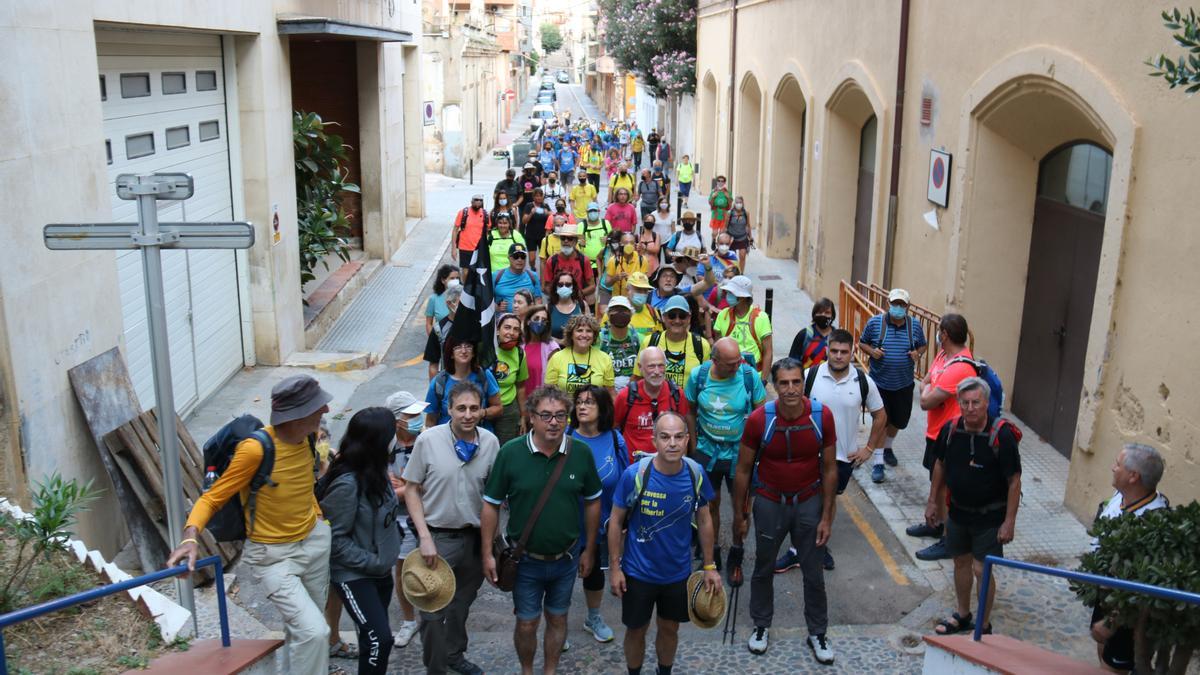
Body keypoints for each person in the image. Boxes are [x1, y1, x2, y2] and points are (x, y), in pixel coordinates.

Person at [167, 375, 334, 675]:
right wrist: (190, 538)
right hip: (273, 556)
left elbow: (308, 478)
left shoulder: (312, 437)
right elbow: (212, 498)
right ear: (296, 414)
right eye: (318, 407)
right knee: (314, 632)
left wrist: (319, 519)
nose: (325, 410)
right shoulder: (255, 450)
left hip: (314, 542)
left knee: (303, 630)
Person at [481, 386, 603, 675]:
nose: (554, 422)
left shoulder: (581, 453)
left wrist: (590, 549)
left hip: (566, 558)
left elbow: (593, 501)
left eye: (561, 415)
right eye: (546, 415)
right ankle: (527, 670)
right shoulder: (511, 453)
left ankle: (549, 670)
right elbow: (490, 504)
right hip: (524, 561)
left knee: (558, 619)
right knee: (526, 622)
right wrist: (487, 552)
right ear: (531, 417)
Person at [732, 358, 837, 664]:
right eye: (784, 383)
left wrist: (827, 516)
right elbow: (742, 470)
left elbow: (830, 470)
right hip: (769, 502)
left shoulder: (822, 416)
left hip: (808, 501)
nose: (790, 389)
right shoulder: (758, 420)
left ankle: (818, 632)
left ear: (803, 384)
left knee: (814, 572)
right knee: (763, 567)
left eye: (796, 382)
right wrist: (741, 513)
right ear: (774, 386)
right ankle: (761, 626)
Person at [608, 412, 720, 675]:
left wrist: (709, 565)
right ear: (654, 440)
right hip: (638, 573)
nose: (672, 443)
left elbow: (704, 520)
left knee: (670, 628)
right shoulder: (634, 475)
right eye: (665, 437)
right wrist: (615, 568)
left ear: (687, 439)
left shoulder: (695, 473)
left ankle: (664, 672)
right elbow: (615, 522)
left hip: (677, 573)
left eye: (678, 437)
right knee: (636, 630)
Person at [404, 381, 501, 675]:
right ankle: (436, 668)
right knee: (432, 613)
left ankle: (454, 655)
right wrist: (424, 538)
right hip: (437, 539)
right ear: (449, 409)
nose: (468, 415)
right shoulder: (429, 440)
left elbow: (495, 496)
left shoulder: (490, 443)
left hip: (474, 539)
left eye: (474, 408)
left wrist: (492, 544)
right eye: (461, 408)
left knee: (461, 606)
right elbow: (411, 489)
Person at [777, 330, 886, 573]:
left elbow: (881, 416)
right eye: (834, 350)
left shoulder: (863, 381)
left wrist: (868, 449)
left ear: (852, 352)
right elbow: (789, 407)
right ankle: (797, 550)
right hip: (807, 456)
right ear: (827, 349)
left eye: (844, 352)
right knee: (803, 504)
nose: (838, 356)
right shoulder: (809, 376)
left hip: (841, 459)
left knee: (827, 502)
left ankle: (819, 545)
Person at [925, 377, 1022, 638]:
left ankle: (984, 624)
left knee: (982, 569)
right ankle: (963, 613)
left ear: (986, 403)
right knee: (960, 563)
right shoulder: (950, 430)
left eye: (976, 403)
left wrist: (1009, 521)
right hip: (958, 512)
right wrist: (933, 500)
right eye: (965, 403)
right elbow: (940, 466)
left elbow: (1014, 482)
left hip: (989, 517)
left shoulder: (1001, 435)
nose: (970, 408)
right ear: (958, 403)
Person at [317, 407, 402, 675]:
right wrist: (373, 561)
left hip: (379, 571)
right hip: (354, 575)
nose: (396, 439)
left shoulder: (378, 471)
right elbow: (334, 539)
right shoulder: (347, 484)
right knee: (381, 639)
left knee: (370, 639)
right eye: (392, 434)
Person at [686, 336, 767, 570]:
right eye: (731, 363)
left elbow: (761, 415)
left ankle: (737, 552)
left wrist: (758, 452)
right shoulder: (698, 377)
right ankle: (713, 553)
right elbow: (690, 411)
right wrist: (693, 446)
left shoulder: (749, 376)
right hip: (706, 451)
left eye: (738, 361)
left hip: (740, 455)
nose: (737, 367)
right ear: (715, 360)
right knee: (709, 506)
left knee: (742, 508)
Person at [1089, 444, 1168, 673]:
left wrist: (1112, 622)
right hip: (1106, 593)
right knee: (1103, 651)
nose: (1113, 468)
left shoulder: (1152, 522)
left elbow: (1140, 587)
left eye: (1118, 465)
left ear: (1133, 476)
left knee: (1112, 668)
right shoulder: (1120, 496)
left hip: (1126, 613)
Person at [908, 313, 976, 561]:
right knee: (935, 480)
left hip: (951, 437)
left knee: (946, 487)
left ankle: (949, 539)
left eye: (939, 331)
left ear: (944, 335)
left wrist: (927, 389)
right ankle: (934, 524)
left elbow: (925, 400)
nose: (937, 335)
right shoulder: (942, 356)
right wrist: (927, 387)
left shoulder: (959, 367)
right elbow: (924, 381)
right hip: (934, 432)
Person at [568, 386, 628, 644]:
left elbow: (625, 480)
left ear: (602, 409)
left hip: (603, 522)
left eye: (589, 402)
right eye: (579, 402)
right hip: (568, 522)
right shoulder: (566, 437)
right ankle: (557, 623)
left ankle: (593, 617)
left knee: (594, 572)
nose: (582, 406)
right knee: (562, 574)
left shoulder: (615, 439)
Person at [858, 288, 927, 481]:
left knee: (899, 421)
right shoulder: (875, 323)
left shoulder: (914, 326)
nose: (898, 307)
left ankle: (887, 447)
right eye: (895, 303)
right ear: (888, 304)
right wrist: (872, 352)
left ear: (908, 307)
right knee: (882, 421)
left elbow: (923, 344)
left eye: (902, 304)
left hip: (903, 384)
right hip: (879, 384)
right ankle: (878, 462)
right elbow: (862, 343)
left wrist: (917, 354)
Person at [384, 391, 429, 650]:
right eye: (410, 415)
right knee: (403, 570)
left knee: (431, 566)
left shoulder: (427, 440)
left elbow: (429, 483)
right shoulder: (386, 446)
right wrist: (408, 487)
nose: (417, 418)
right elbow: (383, 487)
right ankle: (409, 620)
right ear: (396, 420)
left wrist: (406, 487)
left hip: (428, 515)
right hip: (398, 521)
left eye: (417, 413)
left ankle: (434, 614)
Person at [614, 347, 690, 461]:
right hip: (634, 467)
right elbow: (612, 427)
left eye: (661, 365)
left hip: (668, 465)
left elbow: (684, 432)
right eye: (651, 366)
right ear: (640, 368)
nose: (657, 371)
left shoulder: (677, 395)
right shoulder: (626, 396)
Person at [425, 337, 503, 428]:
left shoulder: (483, 375)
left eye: (468, 346)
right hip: (449, 438)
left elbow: (498, 408)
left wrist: (481, 413)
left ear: (473, 352)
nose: (464, 351)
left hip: (479, 435)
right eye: (457, 347)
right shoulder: (439, 382)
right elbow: (430, 419)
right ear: (451, 354)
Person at [635, 296, 712, 389]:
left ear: (689, 318)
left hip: (688, 402)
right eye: (672, 315)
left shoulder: (701, 345)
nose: (677, 320)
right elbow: (637, 378)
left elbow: (706, 382)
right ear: (663, 317)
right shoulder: (650, 342)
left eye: (682, 316)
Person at [713, 275, 774, 380]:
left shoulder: (761, 317)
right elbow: (717, 349)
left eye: (731, 293)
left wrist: (763, 380)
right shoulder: (722, 315)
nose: (727, 296)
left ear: (742, 297)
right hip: (727, 377)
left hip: (754, 377)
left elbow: (768, 352)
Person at [545, 314, 616, 395]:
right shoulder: (557, 358)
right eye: (579, 330)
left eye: (589, 331)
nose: (584, 335)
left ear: (594, 335)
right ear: (571, 334)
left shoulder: (605, 358)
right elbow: (548, 392)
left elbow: (611, 393)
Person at [492, 313, 531, 444]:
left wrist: (523, 416)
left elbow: (521, 387)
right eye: (507, 327)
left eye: (516, 329)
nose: (511, 332)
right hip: (485, 407)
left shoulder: (520, 354)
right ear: (498, 329)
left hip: (508, 411)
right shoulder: (486, 349)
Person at [542, 223, 597, 302]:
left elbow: (592, 286)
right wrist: (557, 295)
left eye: (570, 238)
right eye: (563, 238)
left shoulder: (583, 260)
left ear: (575, 241)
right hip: (557, 303)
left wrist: (578, 294)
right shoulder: (552, 260)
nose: (566, 241)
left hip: (577, 303)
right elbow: (546, 286)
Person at [598, 296, 642, 391]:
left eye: (624, 310)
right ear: (608, 314)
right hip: (606, 390)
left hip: (634, 390)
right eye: (616, 310)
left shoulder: (640, 339)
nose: (620, 313)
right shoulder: (599, 338)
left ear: (631, 314)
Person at [423, 285, 462, 380]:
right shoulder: (438, 330)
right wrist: (434, 390)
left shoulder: (475, 325)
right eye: (462, 303)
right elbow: (433, 364)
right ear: (449, 303)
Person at [789, 298, 836, 370]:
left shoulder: (838, 336)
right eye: (820, 312)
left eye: (827, 312)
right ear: (814, 314)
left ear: (832, 316)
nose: (823, 315)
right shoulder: (804, 335)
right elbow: (792, 361)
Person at [604, 231, 651, 302]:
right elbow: (607, 284)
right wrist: (614, 278)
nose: (629, 245)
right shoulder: (613, 260)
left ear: (635, 245)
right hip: (619, 301)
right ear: (620, 244)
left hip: (636, 301)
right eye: (626, 243)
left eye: (631, 243)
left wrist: (632, 279)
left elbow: (645, 284)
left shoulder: (642, 259)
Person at [494, 243, 542, 312]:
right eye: (516, 256)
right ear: (509, 258)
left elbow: (538, 299)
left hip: (526, 320)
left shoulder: (533, 276)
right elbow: (486, 300)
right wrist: (497, 308)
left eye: (523, 256)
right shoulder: (496, 276)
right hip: (504, 321)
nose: (519, 260)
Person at [523, 306, 560, 396]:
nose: (540, 322)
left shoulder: (552, 347)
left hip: (542, 399)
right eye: (536, 318)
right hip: (521, 399)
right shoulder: (520, 345)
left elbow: (555, 379)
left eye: (544, 320)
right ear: (528, 321)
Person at [452, 194, 492, 268]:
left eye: (480, 200)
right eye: (476, 200)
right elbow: (455, 230)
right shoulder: (463, 212)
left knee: (478, 271)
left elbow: (488, 231)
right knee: (466, 271)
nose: (478, 202)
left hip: (480, 249)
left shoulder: (485, 214)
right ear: (471, 201)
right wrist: (453, 248)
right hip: (465, 247)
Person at [548, 270, 588, 342]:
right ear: (555, 287)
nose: (564, 287)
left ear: (573, 287)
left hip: (578, 350)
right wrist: (560, 342)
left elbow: (590, 330)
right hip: (554, 350)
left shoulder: (582, 305)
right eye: (560, 285)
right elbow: (542, 334)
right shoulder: (548, 308)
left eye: (568, 285)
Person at [425, 264, 461, 335]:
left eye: (457, 278)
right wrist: (434, 340)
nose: (455, 281)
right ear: (443, 280)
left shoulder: (464, 296)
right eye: (452, 278)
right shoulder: (434, 299)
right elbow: (429, 323)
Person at [581, 202, 614, 277]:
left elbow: (613, 240)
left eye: (595, 211)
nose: (593, 213)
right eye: (590, 211)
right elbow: (577, 244)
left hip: (604, 263)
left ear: (599, 212)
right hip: (588, 264)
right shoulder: (581, 226)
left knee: (603, 285)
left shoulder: (606, 224)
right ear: (587, 212)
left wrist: (608, 240)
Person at [520, 189, 551, 259]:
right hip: (531, 236)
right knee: (532, 259)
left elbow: (552, 217)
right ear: (533, 197)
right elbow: (524, 221)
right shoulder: (529, 205)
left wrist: (548, 213)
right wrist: (531, 213)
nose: (539, 198)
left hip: (542, 236)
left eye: (540, 196)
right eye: (537, 196)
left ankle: (541, 270)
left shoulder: (545, 206)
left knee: (543, 258)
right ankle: (532, 268)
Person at [725, 196, 753, 270]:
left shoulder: (746, 213)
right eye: (737, 202)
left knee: (742, 255)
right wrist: (721, 238)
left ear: (743, 203)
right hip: (732, 238)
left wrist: (750, 237)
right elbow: (725, 226)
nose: (739, 204)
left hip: (742, 237)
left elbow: (748, 225)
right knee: (732, 257)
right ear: (734, 203)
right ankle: (733, 272)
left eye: (740, 202)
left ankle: (741, 273)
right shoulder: (729, 213)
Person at [708, 176, 731, 241]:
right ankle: (713, 240)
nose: (720, 182)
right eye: (719, 181)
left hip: (724, 214)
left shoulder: (727, 192)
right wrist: (713, 197)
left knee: (722, 233)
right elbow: (710, 203)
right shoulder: (713, 191)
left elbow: (730, 205)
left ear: (724, 182)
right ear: (717, 182)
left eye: (722, 181)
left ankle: (719, 245)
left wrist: (728, 197)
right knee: (714, 233)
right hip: (715, 213)